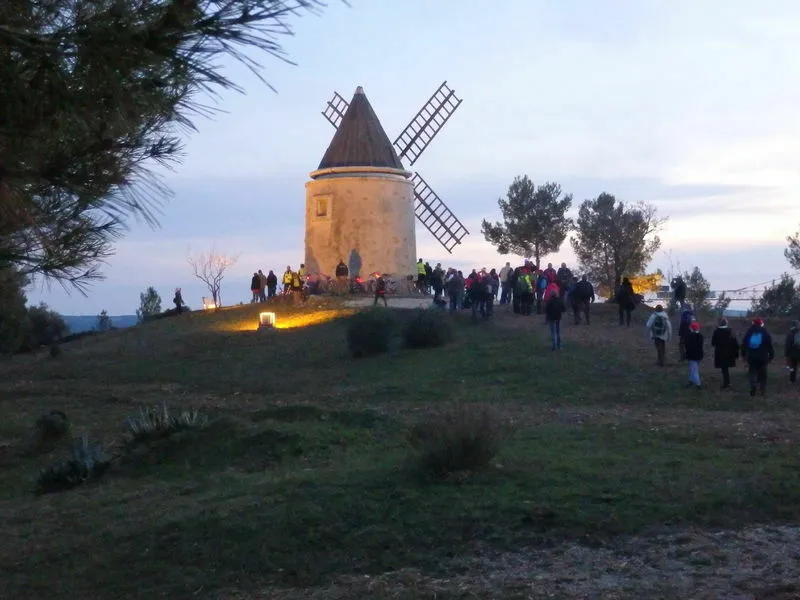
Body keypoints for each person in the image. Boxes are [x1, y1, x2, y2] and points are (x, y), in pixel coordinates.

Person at [741, 317, 775, 397]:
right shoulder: (765, 332)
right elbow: (770, 345)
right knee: (763, 374)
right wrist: (771, 356)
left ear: (753, 323)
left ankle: (753, 385)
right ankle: (762, 390)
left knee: (752, 372)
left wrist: (743, 355)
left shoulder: (749, 331)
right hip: (763, 357)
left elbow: (744, 344)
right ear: (761, 324)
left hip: (752, 356)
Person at [711, 317, 739, 389]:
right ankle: (727, 383)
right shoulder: (731, 331)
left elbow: (713, 343)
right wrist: (736, 354)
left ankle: (726, 383)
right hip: (729, 353)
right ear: (726, 323)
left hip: (720, 353)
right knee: (726, 369)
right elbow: (735, 343)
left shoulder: (716, 331)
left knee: (724, 369)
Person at [684, 321, 704, 388]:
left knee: (693, 370)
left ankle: (698, 384)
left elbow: (687, 345)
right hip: (699, 355)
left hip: (692, 356)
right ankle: (691, 381)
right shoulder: (700, 336)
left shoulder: (689, 336)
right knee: (692, 369)